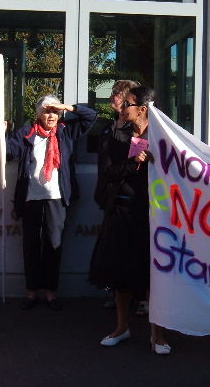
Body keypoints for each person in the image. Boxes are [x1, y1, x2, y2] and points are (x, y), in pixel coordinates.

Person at [89, 85, 170, 354]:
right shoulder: (116, 135)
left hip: (154, 214)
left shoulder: (164, 136)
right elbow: (107, 174)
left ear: (143, 109)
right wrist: (133, 162)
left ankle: (157, 335)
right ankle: (121, 327)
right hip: (121, 211)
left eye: (128, 105)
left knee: (154, 275)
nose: (122, 109)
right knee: (120, 273)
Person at [7, 95, 96, 311]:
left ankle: (51, 293)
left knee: (53, 246)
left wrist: (65, 106)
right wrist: (2, 133)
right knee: (31, 246)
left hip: (56, 198)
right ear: (38, 114)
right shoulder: (27, 133)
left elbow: (91, 116)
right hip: (31, 198)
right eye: (47, 111)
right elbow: (9, 152)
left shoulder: (65, 132)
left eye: (55, 112)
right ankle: (31, 292)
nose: (51, 116)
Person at [93, 80, 141, 311]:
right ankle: (117, 295)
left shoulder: (136, 131)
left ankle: (139, 298)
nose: (111, 98)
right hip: (111, 197)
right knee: (113, 254)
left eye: (115, 94)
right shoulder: (110, 126)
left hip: (132, 199)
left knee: (134, 253)